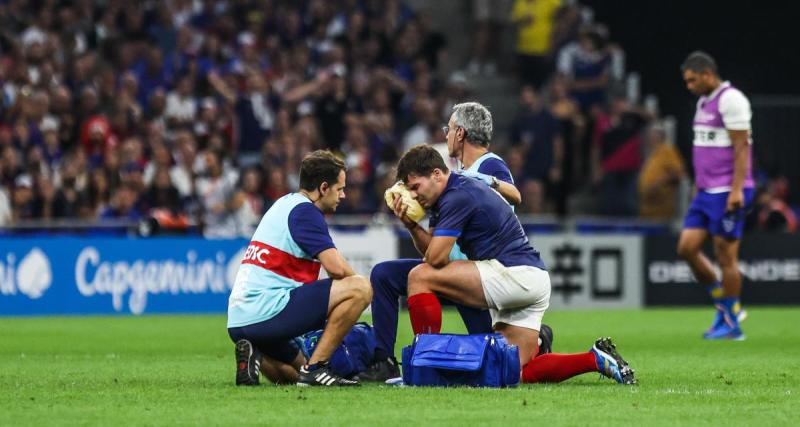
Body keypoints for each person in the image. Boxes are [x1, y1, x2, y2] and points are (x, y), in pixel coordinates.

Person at [390, 145, 636, 385]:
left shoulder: (457, 194)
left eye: (415, 187)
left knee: (419, 277)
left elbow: (434, 260)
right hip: (533, 279)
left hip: (511, 272)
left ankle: (423, 367)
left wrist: (414, 223)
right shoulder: (448, 195)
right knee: (512, 370)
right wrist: (411, 225)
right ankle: (594, 359)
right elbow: (431, 251)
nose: (413, 195)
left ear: (436, 174)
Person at [363, 102, 528, 382]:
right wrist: (411, 224)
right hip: (449, 267)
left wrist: (483, 179)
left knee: (493, 357)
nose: (446, 134)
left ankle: (535, 343)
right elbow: (432, 252)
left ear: (460, 133)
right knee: (384, 275)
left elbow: (515, 196)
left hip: (477, 272)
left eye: (449, 129)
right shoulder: (451, 181)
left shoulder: (488, 165)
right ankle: (386, 361)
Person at [227, 150, 372, 387]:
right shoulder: (306, 211)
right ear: (323, 188)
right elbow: (336, 269)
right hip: (269, 311)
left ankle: (254, 353)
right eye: (340, 189)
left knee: (294, 376)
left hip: (238, 321)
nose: (343, 195)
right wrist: (359, 289)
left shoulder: (283, 204)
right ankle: (318, 367)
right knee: (361, 288)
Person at [676, 51, 754, 340]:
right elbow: (705, 151)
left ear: (708, 73)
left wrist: (736, 190)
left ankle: (731, 322)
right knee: (686, 247)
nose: (689, 86)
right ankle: (725, 301)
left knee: (725, 256)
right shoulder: (703, 102)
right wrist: (699, 184)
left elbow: (741, 148)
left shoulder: (731, 99)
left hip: (727, 191)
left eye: (692, 80)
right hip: (706, 190)